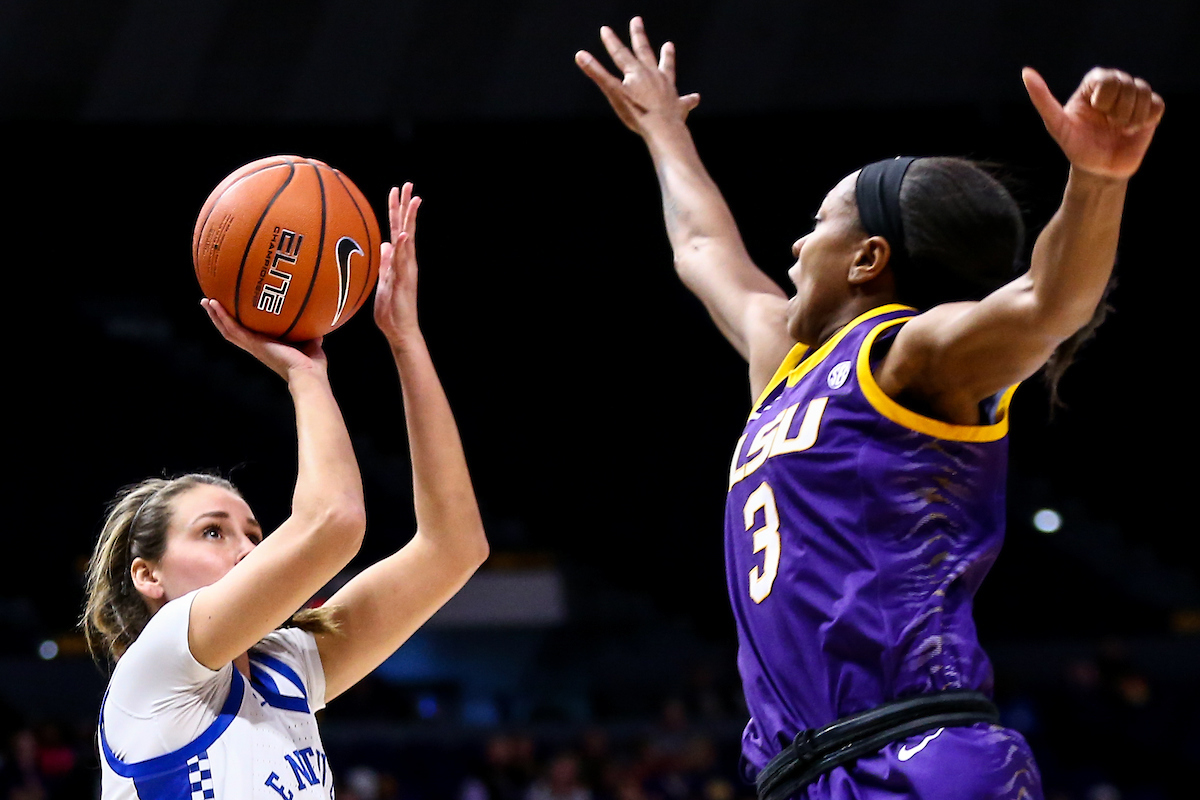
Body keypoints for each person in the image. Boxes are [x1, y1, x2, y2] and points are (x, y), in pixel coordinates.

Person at [575, 17, 1163, 800]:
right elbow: (701, 248)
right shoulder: (785, 364)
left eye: (818, 225)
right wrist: (663, 133)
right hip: (807, 774)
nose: (793, 248)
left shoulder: (911, 357)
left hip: (918, 751)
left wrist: (1097, 180)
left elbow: (1047, 304)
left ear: (867, 259)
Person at [82, 183, 490, 799]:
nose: (248, 548)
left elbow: (455, 546)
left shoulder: (290, 666)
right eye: (213, 531)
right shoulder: (157, 664)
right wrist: (304, 373)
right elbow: (333, 522)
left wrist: (405, 341)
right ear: (148, 575)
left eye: (254, 532)